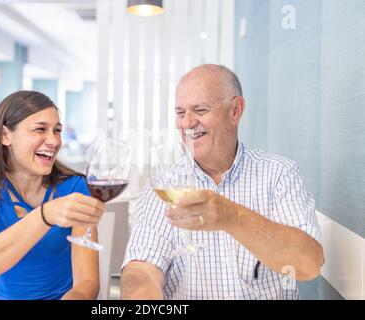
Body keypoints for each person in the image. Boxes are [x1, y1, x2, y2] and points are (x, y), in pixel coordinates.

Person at [120, 64, 324, 300]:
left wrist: (231, 217)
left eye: (200, 110)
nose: (187, 123)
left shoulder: (279, 175)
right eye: (180, 113)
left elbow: (309, 264)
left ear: (235, 111)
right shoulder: (163, 186)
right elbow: (141, 270)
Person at [0, 91, 105, 300]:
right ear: (5, 136)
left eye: (57, 130)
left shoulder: (75, 188)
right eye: (40, 129)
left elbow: (87, 282)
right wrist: (45, 215)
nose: (53, 141)